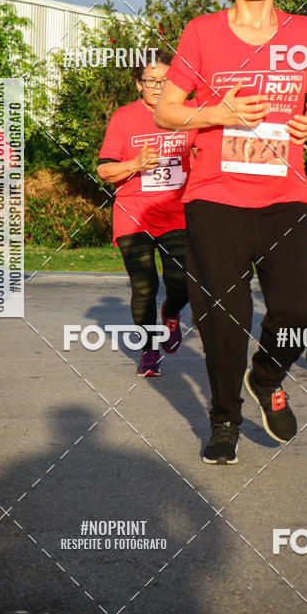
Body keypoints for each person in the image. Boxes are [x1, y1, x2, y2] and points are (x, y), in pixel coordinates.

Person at [154, 0, 307, 464]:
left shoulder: (306, 33)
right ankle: (223, 417)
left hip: (284, 193)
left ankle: (267, 377)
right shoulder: (202, 32)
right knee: (224, 313)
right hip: (214, 193)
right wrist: (217, 113)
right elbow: (167, 109)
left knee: (303, 308)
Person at [97, 52, 196, 376]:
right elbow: (104, 169)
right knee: (143, 287)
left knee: (180, 280)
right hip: (133, 213)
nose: (158, 86)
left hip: (177, 212)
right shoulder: (123, 118)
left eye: (165, 80)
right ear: (138, 83)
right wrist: (134, 164)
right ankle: (149, 350)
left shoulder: (189, 113)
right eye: (151, 80)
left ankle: (171, 311)